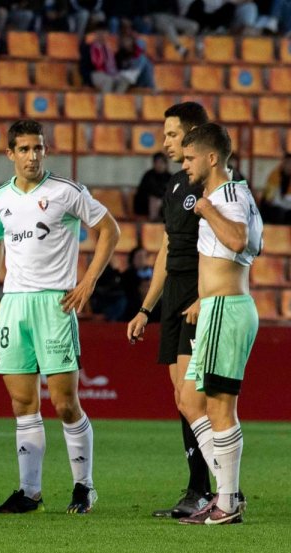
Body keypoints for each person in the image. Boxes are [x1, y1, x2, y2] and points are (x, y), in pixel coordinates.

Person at [0, 119, 120, 515]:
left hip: (55, 305)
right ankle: (29, 492)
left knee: (63, 403)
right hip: (15, 306)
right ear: (10, 154)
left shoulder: (66, 192)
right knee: (22, 403)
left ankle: (84, 487)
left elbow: (110, 230)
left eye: (38, 148)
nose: (32, 156)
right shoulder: (0, 199)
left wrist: (88, 282)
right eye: (23, 149)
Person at [125, 102, 215, 519]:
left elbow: (226, 247)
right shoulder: (176, 184)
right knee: (182, 397)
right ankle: (202, 488)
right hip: (175, 295)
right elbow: (165, 248)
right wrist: (146, 307)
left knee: (197, 398)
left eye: (173, 134)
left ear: (194, 134)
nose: (165, 142)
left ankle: (213, 489)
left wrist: (206, 294)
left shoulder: (217, 185)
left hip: (201, 294)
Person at [175, 123, 263, 525]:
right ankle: (227, 492)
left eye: (190, 157)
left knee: (220, 406)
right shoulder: (228, 194)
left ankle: (227, 500)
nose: (184, 163)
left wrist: (207, 210)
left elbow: (240, 240)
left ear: (212, 158)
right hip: (216, 307)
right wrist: (201, 299)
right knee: (191, 401)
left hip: (227, 308)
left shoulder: (227, 194)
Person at [135, 152, 171, 221]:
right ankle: (153, 223)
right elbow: (142, 192)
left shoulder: (170, 177)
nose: (159, 165)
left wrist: (162, 200)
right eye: (157, 162)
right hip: (146, 205)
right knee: (154, 200)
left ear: (166, 164)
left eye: (161, 162)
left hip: (164, 205)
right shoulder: (148, 175)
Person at [120, 246, 153, 319]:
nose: (142, 259)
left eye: (144, 256)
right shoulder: (127, 275)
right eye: (139, 257)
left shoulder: (154, 272)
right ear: (132, 259)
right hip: (133, 307)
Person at [259, 152, 291, 224]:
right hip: (273, 206)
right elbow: (269, 199)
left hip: (287, 206)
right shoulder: (274, 176)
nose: (289, 166)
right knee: (278, 213)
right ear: (283, 163)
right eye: (288, 163)